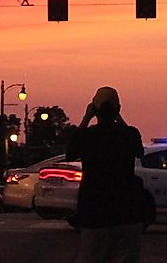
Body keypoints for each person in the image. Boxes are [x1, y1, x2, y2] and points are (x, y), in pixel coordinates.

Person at [65, 86, 145, 263]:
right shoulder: (129, 134)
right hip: (126, 211)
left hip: (95, 211)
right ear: (118, 109)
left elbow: (70, 153)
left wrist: (86, 118)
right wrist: (119, 118)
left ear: (95, 109)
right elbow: (139, 151)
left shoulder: (88, 136)